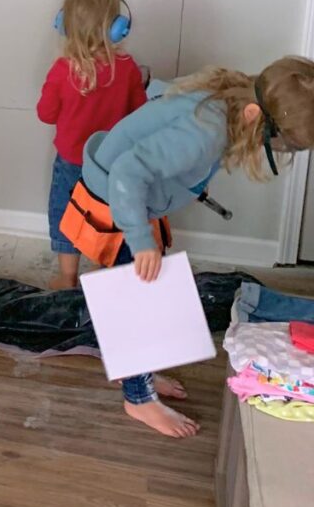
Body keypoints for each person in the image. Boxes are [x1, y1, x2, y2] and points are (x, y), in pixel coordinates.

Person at [67, 57, 314, 437]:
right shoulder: (207, 132)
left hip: (133, 199)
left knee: (143, 295)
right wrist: (139, 239)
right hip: (118, 200)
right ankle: (138, 398)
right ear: (254, 116)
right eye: (282, 144)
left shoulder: (226, 94)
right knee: (138, 303)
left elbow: (159, 97)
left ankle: (138, 373)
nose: (283, 151)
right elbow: (128, 172)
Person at [37, 0, 147, 289]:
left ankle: (67, 276)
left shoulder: (61, 70)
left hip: (71, 161)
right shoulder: (127, 68)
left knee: (66, 216)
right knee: (108, 217)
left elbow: (45, 114)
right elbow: (141, 113)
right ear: (117, 28)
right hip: (112, 163)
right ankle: (105, 271)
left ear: (63, 25)